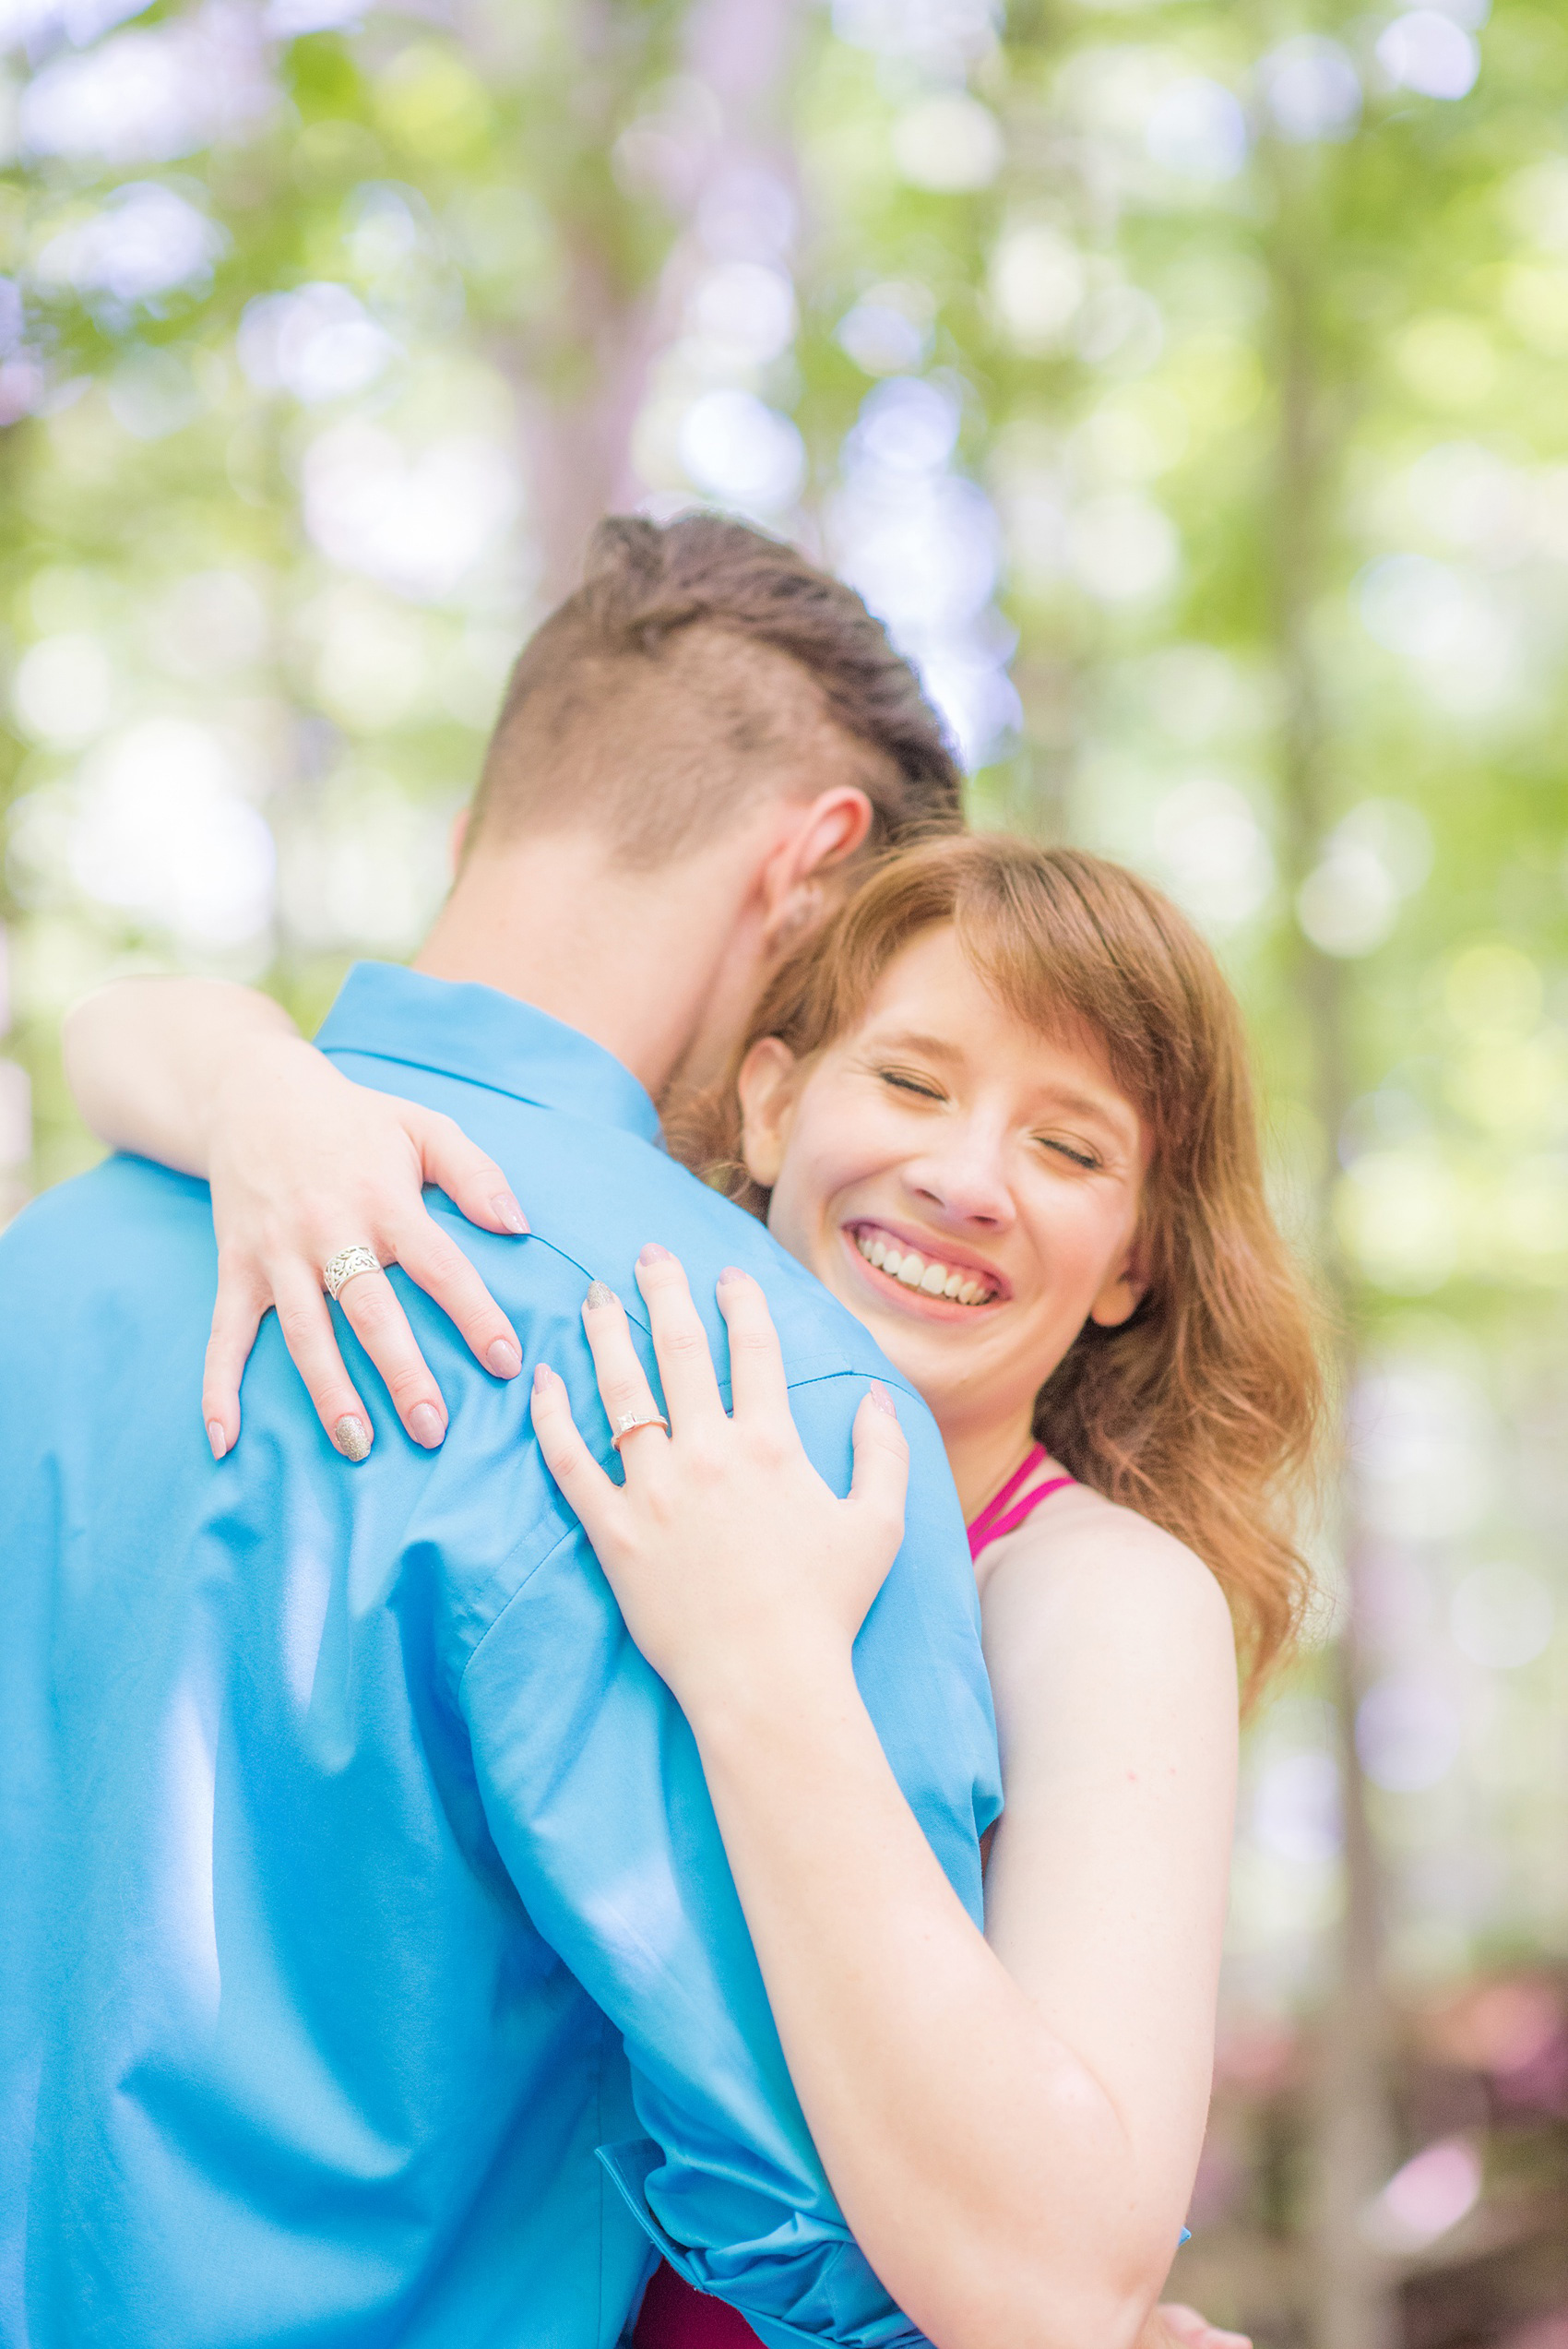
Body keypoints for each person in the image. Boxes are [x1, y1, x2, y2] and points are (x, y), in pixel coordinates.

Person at [65, 829, 1318, 2347]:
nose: (967, 1177)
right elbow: (116, 1024)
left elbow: (1061, 2282)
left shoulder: (1100, 1597)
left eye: (1073, 1149)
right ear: (777, 1101)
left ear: (1130, 1259)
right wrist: (265, 1098)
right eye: (914, 1083)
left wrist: (763, 1664)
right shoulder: (617, 1388)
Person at [3, 514, 1009, 2349]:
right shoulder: (746, 1387)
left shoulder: (37, 1275)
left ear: (484, 826)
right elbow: (870, 2227)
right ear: (814, 865)